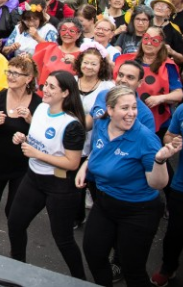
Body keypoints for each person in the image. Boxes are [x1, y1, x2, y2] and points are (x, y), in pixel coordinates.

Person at [78, 86, 182, 287]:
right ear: (110, 110)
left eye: (134, 107)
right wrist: (85, 165)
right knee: (93, 253)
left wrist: (159, 161)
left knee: (132, 268)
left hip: (138, 210)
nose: (132, 113)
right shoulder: (101, 124)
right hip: (105, 201)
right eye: (125, 108)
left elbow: (157, 183)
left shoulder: (145, 139)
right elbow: (99, 150)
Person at [8, 71, 87, 279]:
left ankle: (80, 280)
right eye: (46, 85)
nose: (46, 90)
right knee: (15, 224)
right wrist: (22, 137)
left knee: (63, 239)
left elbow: (72, 163)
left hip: (60, 186)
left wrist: (37, 154)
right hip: (33, 178)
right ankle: (17, 271)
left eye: (52, 87)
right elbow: (37, 137)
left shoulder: (72, 125)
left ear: (65, 93)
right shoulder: (42, 108)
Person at [0, 55, 42, 237]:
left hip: (23, 168)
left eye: (17, 73)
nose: (11, 76)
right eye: (9, 72)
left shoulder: (38, 103)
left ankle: (16, 247)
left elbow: (44, 138)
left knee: (13, 211)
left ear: (28, 78)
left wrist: (30, 121)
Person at [152, 102, 183, 287]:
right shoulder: (181, 110)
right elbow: (168, 136)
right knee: (175, 231)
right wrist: (173, 141)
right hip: (181, 185)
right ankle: (168, 267)